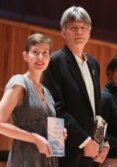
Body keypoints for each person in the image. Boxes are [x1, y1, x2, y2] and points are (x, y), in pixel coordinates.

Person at [43, 6, 109, 167]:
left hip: (93, 152)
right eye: (73, 28)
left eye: (83, 28)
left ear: (89, 32)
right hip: (67, 151)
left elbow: (96, 108)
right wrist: (85, 141)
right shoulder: (54, 62)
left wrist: (103, 141)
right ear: (64, 33)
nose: (79, 32)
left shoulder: (94, 64)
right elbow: (56, 109)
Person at [0, 33, 61, 167]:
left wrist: (59, 134)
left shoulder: (47, 92)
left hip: (48, 159)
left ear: (49, 58)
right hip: (25, 159)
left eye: (45, 53)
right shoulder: (19, 82)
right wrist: (34, 138)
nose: (40, 57)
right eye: (35, 52)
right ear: (26, 56)